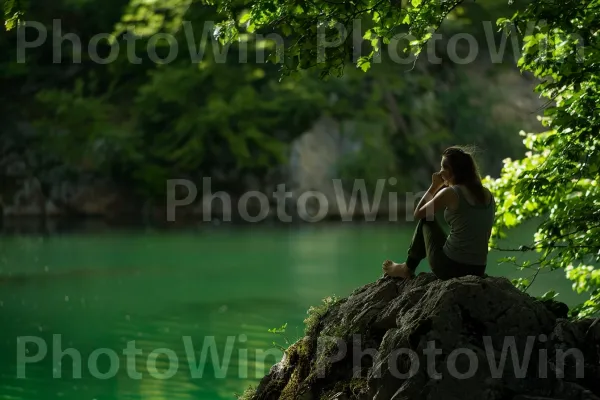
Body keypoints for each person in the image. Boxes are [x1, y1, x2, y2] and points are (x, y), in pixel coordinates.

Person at [382, 146, 496, 280]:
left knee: (427, 219)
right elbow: (486, 235)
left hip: (450, 268)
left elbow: (419, 213)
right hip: (478, 269)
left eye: (443, 167)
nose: (440, 172)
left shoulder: (452, 193)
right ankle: (407, 267)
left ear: (453, 171)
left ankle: (407, 268)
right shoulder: (488, 195)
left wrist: (434, 186)